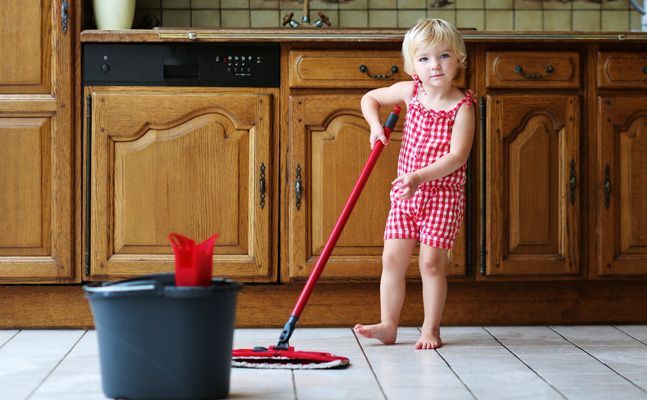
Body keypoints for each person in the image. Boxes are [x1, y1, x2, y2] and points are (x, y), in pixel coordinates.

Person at [353, 18, 476, 350]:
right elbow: (369, 98)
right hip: (405, 194)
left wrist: (419, 177)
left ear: (459, 59)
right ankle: (389, 325)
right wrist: (375, 126)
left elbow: (457, 157)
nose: (434, 65)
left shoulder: (463, 107)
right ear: (412, 66)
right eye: (424, 59)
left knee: (430, 263)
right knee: (392, 259)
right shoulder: (410, 92)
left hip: (441, 196)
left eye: (444, 56)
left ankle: (430, 329)